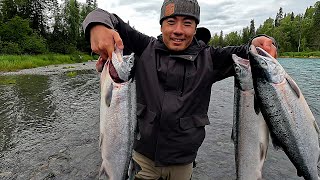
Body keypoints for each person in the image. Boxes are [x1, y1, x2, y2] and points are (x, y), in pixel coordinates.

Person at [83, 0, 277, 179]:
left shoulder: (210, 58)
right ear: (161, 25)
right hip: (142, 159)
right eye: (171, 22)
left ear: (195, 28)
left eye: (187, 23)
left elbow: (250, 51)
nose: (178, 30)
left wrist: (263, 41)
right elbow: (104, 16)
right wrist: (97, 26)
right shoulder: (144, 48)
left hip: (182, 164)